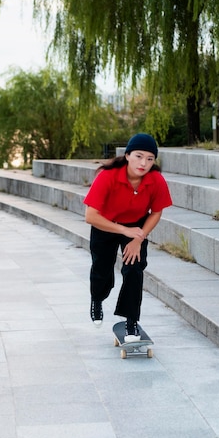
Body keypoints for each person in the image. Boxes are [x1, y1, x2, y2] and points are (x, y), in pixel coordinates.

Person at [83, 133, 173, 341]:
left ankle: (131, 321)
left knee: (134, 269)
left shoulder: (156, 180)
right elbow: (90, 216)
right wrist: (124, 231)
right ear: (128, 155)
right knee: (101, 269)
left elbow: (157, 212)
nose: (144, 163)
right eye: (139, 156)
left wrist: (137, 239)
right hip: (105, 224)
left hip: (135, 227)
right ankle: (97, 299)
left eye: (150, 159)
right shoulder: (107, 176)